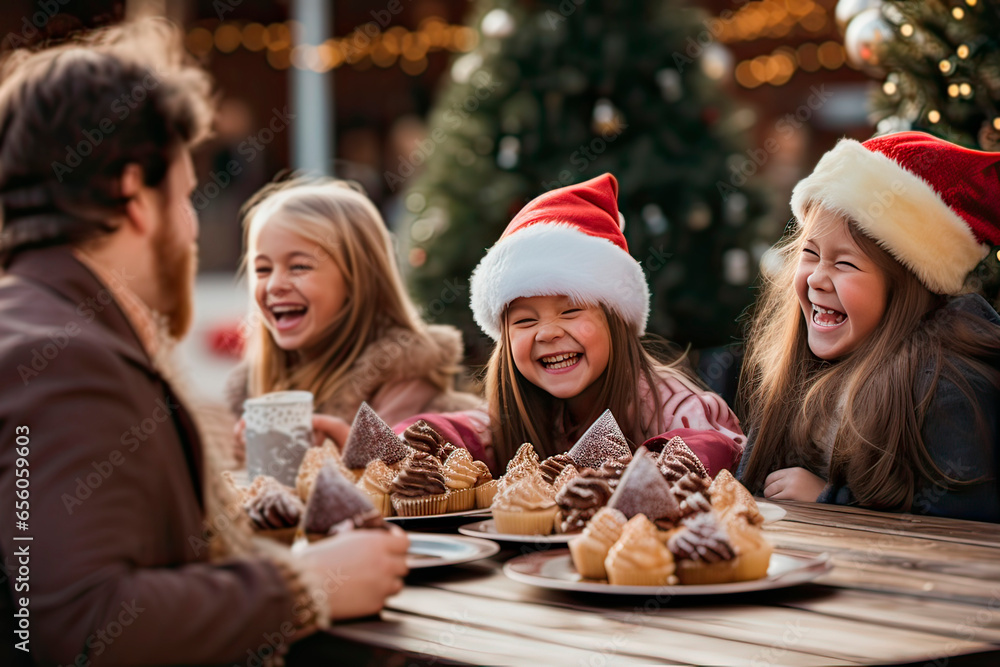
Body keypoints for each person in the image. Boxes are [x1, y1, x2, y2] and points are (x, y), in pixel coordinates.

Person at [0, 20, 408, 667]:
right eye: (185, 196)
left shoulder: (34, 327)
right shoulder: (66, 359)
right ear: (133, 193)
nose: (192, 227)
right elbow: (71, 624)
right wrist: (308, 585)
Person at [394, 173, 745, 475]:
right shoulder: (525, 409)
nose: (547, 332)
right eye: (526, 320)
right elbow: (475, 429)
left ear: (616, 318)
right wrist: (411, 439)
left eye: (570, 311)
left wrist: (646, 472)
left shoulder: (670, 404)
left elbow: (720, 447)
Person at [738, 131, 1000, 522]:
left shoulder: (948, 390)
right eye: (810, 254)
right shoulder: (801, 371)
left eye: (845, 263)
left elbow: (965, 531)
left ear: (904, 285)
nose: (816, 279)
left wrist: (831, 501)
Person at [225, 176, 482, 455]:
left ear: (357, 280)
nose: (275, 284)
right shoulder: (253, 388)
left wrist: (347, 448)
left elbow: (394, 478)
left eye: (298, 266)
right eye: (262, 269)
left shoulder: (402, 380)